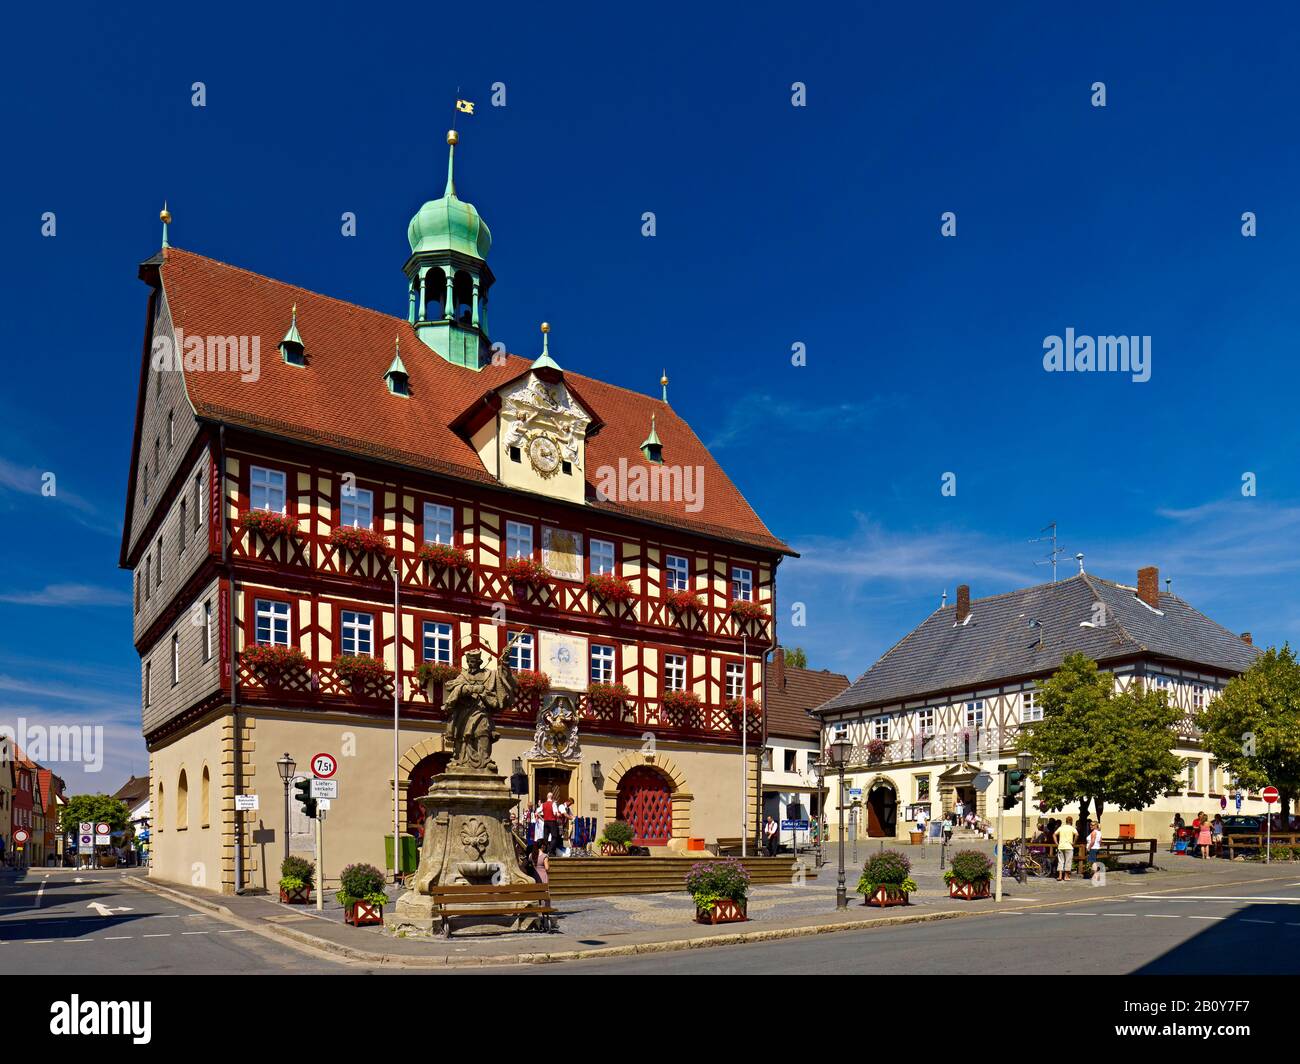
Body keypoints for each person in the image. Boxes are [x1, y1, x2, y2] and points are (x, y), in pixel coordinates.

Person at [1054, 816, 1078, 881]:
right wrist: (1074, 842)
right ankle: (1066, 876)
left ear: (1066, 821)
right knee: (1068, 861)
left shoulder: (1061, 828)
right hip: (1069, 846)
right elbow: (1077, 835)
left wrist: (1056, 843)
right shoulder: (1072, 828)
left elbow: (1054, 834)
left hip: (1061, 846)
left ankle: (1060, 876)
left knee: (1060, 861)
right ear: (1071, 821)